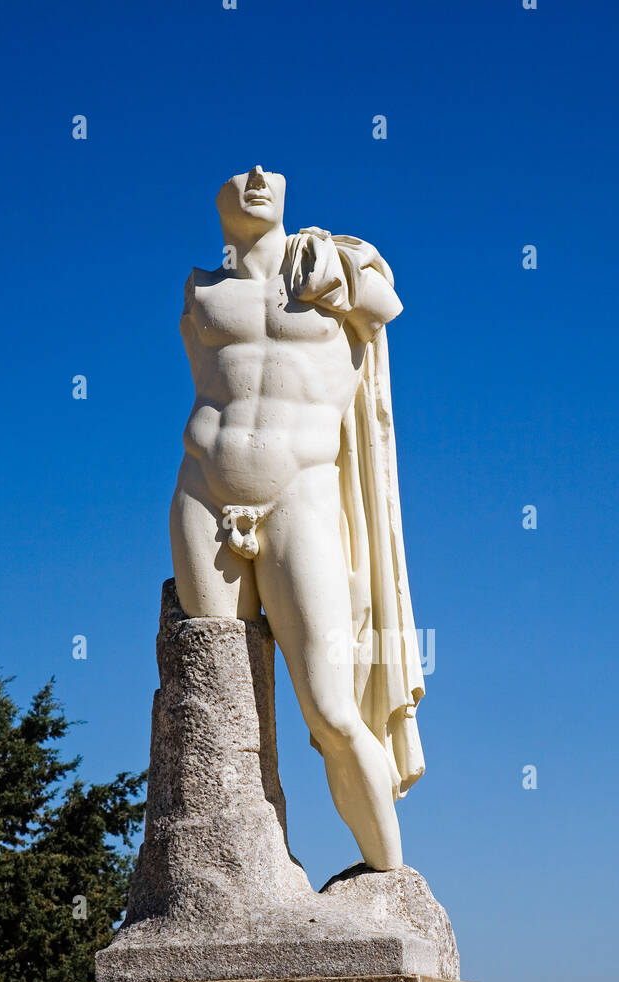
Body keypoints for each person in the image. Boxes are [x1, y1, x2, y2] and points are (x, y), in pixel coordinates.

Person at [170, 165, 425, 871]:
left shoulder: (336, 264)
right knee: (217, 699)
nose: (255, 175)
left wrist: (335, 265)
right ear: (214, 199)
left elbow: (384, 307)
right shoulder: (200, 289)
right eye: (237, 172)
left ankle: (389, 882)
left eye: (269, 171)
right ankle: (242, 880)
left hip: (300, 492)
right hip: (204, 490)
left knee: (332, 713)